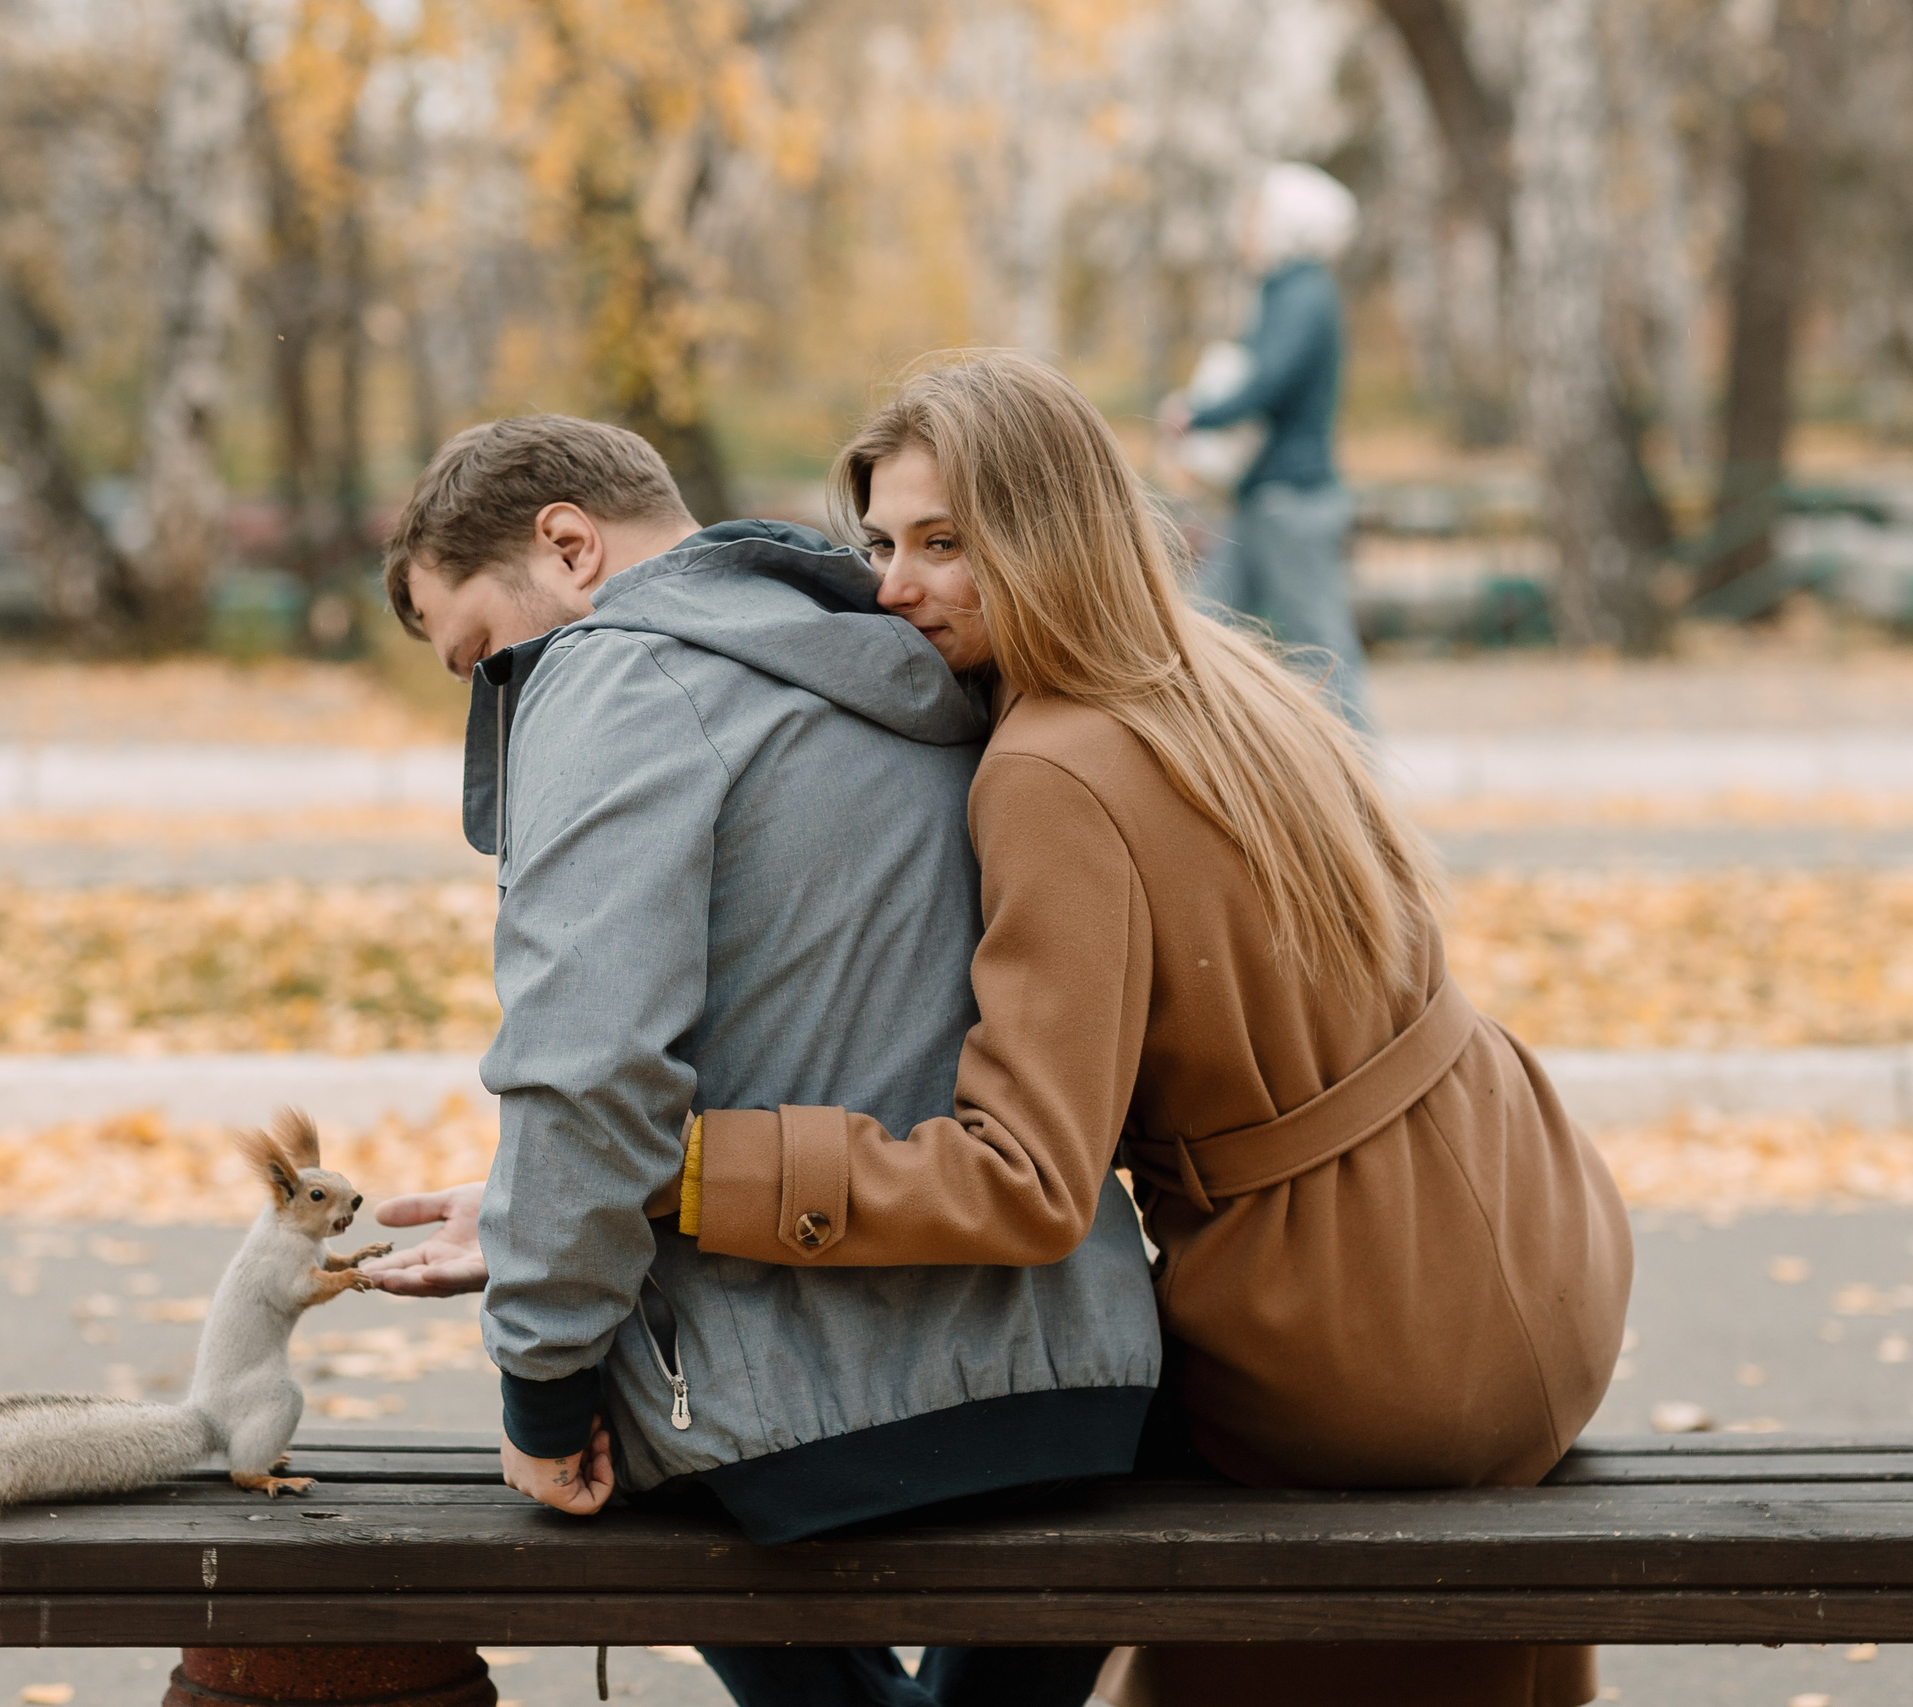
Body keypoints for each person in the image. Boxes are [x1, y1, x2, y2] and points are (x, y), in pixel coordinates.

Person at [672, 352, 1633, 1707]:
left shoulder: (1053, 765)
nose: (895, 586)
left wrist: (702, 1168)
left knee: (953, 1430)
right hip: (1543, 1256)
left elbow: (1024, 1179)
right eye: (881, 542)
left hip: (1363, 1344)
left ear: (1048, 530)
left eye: (947, 542)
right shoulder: (1223, 678)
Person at [374, 412, 1162, 1707]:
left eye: (481, 657)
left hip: (806, 1424)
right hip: (1082, 1379)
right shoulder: (908, 652)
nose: (495, 694)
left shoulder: (611, 672)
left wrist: (540, 1384)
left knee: (592, 1457)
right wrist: (536, 1206)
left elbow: (590, 1072)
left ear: (569, 546)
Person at [1162, 161, 1373, 732]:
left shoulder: (1302, 292)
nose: (1245, 229)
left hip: (1292, 500)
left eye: (1256, 216)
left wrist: (1196, 414)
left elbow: (1267, 381)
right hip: (1264, 498)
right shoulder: (1286, 292)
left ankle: (1362, 786)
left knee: (1320, 646)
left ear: (1287, 224)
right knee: (1207, 627)